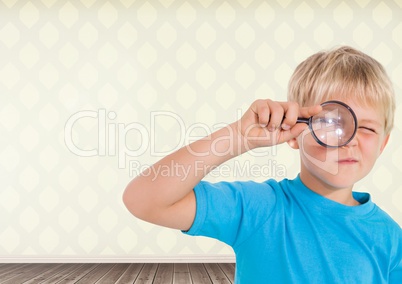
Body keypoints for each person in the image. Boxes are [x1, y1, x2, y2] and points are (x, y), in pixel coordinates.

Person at [122, 46, 402, 283]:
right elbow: (144, 200)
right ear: (295, 132)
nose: (350, 140)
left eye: (367, 129)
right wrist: (238, 136)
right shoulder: (260, 207)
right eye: (330, 123)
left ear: (383, 144)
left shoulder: (390, 236)